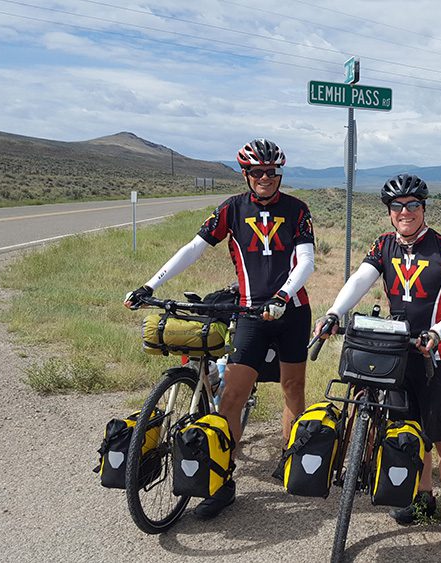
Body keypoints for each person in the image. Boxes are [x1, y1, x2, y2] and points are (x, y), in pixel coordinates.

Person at [124, 138, 315, 519]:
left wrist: (282, 295)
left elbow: (306, 261)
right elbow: (193, 248)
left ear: (279, 173)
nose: (265, 178)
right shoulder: (231, 208)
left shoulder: (297, 210)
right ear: (246, 174)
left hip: (291, 311)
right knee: (232, 396)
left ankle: (290, 459)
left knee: (293, 388)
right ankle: (222, 481)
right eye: (257, 172)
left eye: (271, 172)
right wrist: (150, 284)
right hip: (248, 313)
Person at [314, 174, 441, 548]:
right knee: (409, 432)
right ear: (390, 213)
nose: (405, 212)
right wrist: (335, 312)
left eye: (413, 205)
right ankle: (423, 500)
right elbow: (360, 280)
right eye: (397, 207)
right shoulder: (384, 245)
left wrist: (437, 331)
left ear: (424, 208)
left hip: (439, 357)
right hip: (397, 356)